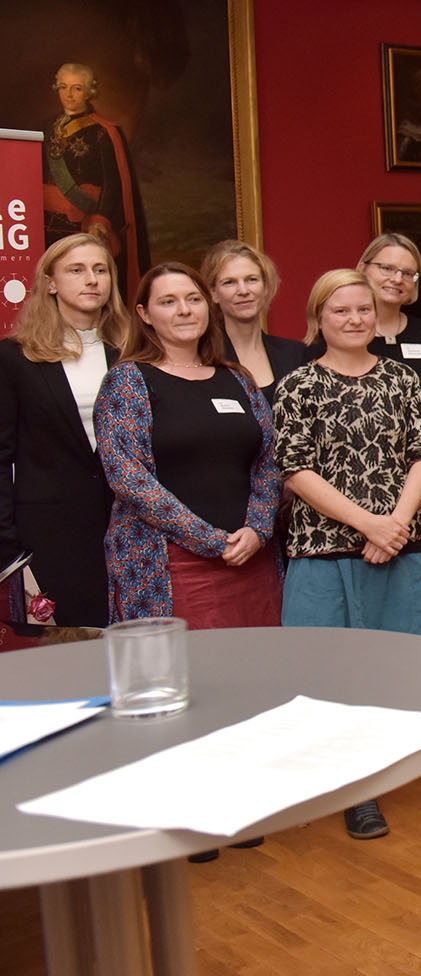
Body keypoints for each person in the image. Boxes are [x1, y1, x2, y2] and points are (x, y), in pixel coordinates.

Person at [276, 270, 421, 837]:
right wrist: (369, 526)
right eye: (341, 310)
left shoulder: (401, 378)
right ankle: (359, 789)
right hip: (326, 551)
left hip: (401, 546)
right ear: (318, 318)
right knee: (339, 675)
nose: (354, 319)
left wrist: (395, 525)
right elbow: (296, 470)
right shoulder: (298, 385)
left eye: (363, 309)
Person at [98, 262, 281, 627]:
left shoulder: (238, 379)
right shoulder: (128, 380)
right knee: (188, 663)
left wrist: (258, 529)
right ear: (144, 314)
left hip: (252, 558)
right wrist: (209, 539)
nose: (184, 310)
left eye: (193, 299)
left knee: (264, 659)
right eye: (168, 302)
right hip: (171, 564)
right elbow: (129, 477)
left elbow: (269, 461)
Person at [0, 236, 129, 631]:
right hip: (49, 539)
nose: (92, 279)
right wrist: (10, 554)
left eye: (100, 270)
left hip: (129, 532)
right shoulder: (13, 358)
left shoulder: (134, 351)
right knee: (67, 657)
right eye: (77, 270)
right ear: (51, 283)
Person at [343, 234, 421, 586]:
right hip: (356, 491)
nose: (397, 278)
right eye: (387, 268)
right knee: (363, 585)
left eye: (408, 273)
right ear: (363, 268)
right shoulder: (343, 334)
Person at [42, 63, 149, 296]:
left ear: (90, 92)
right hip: (47, 225)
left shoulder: (104, 131)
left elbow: (114, 183)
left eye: (77, 88)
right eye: (63, 87)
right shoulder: (47, 127)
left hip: (84, 224)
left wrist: (100, 221)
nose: (69, 94)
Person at [201, 239, 309, 405]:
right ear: (213, 293)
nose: (243, 291)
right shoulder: (203, 356)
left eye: (251, 279)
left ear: (265, 287)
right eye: (229, 282)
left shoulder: (296, 354)